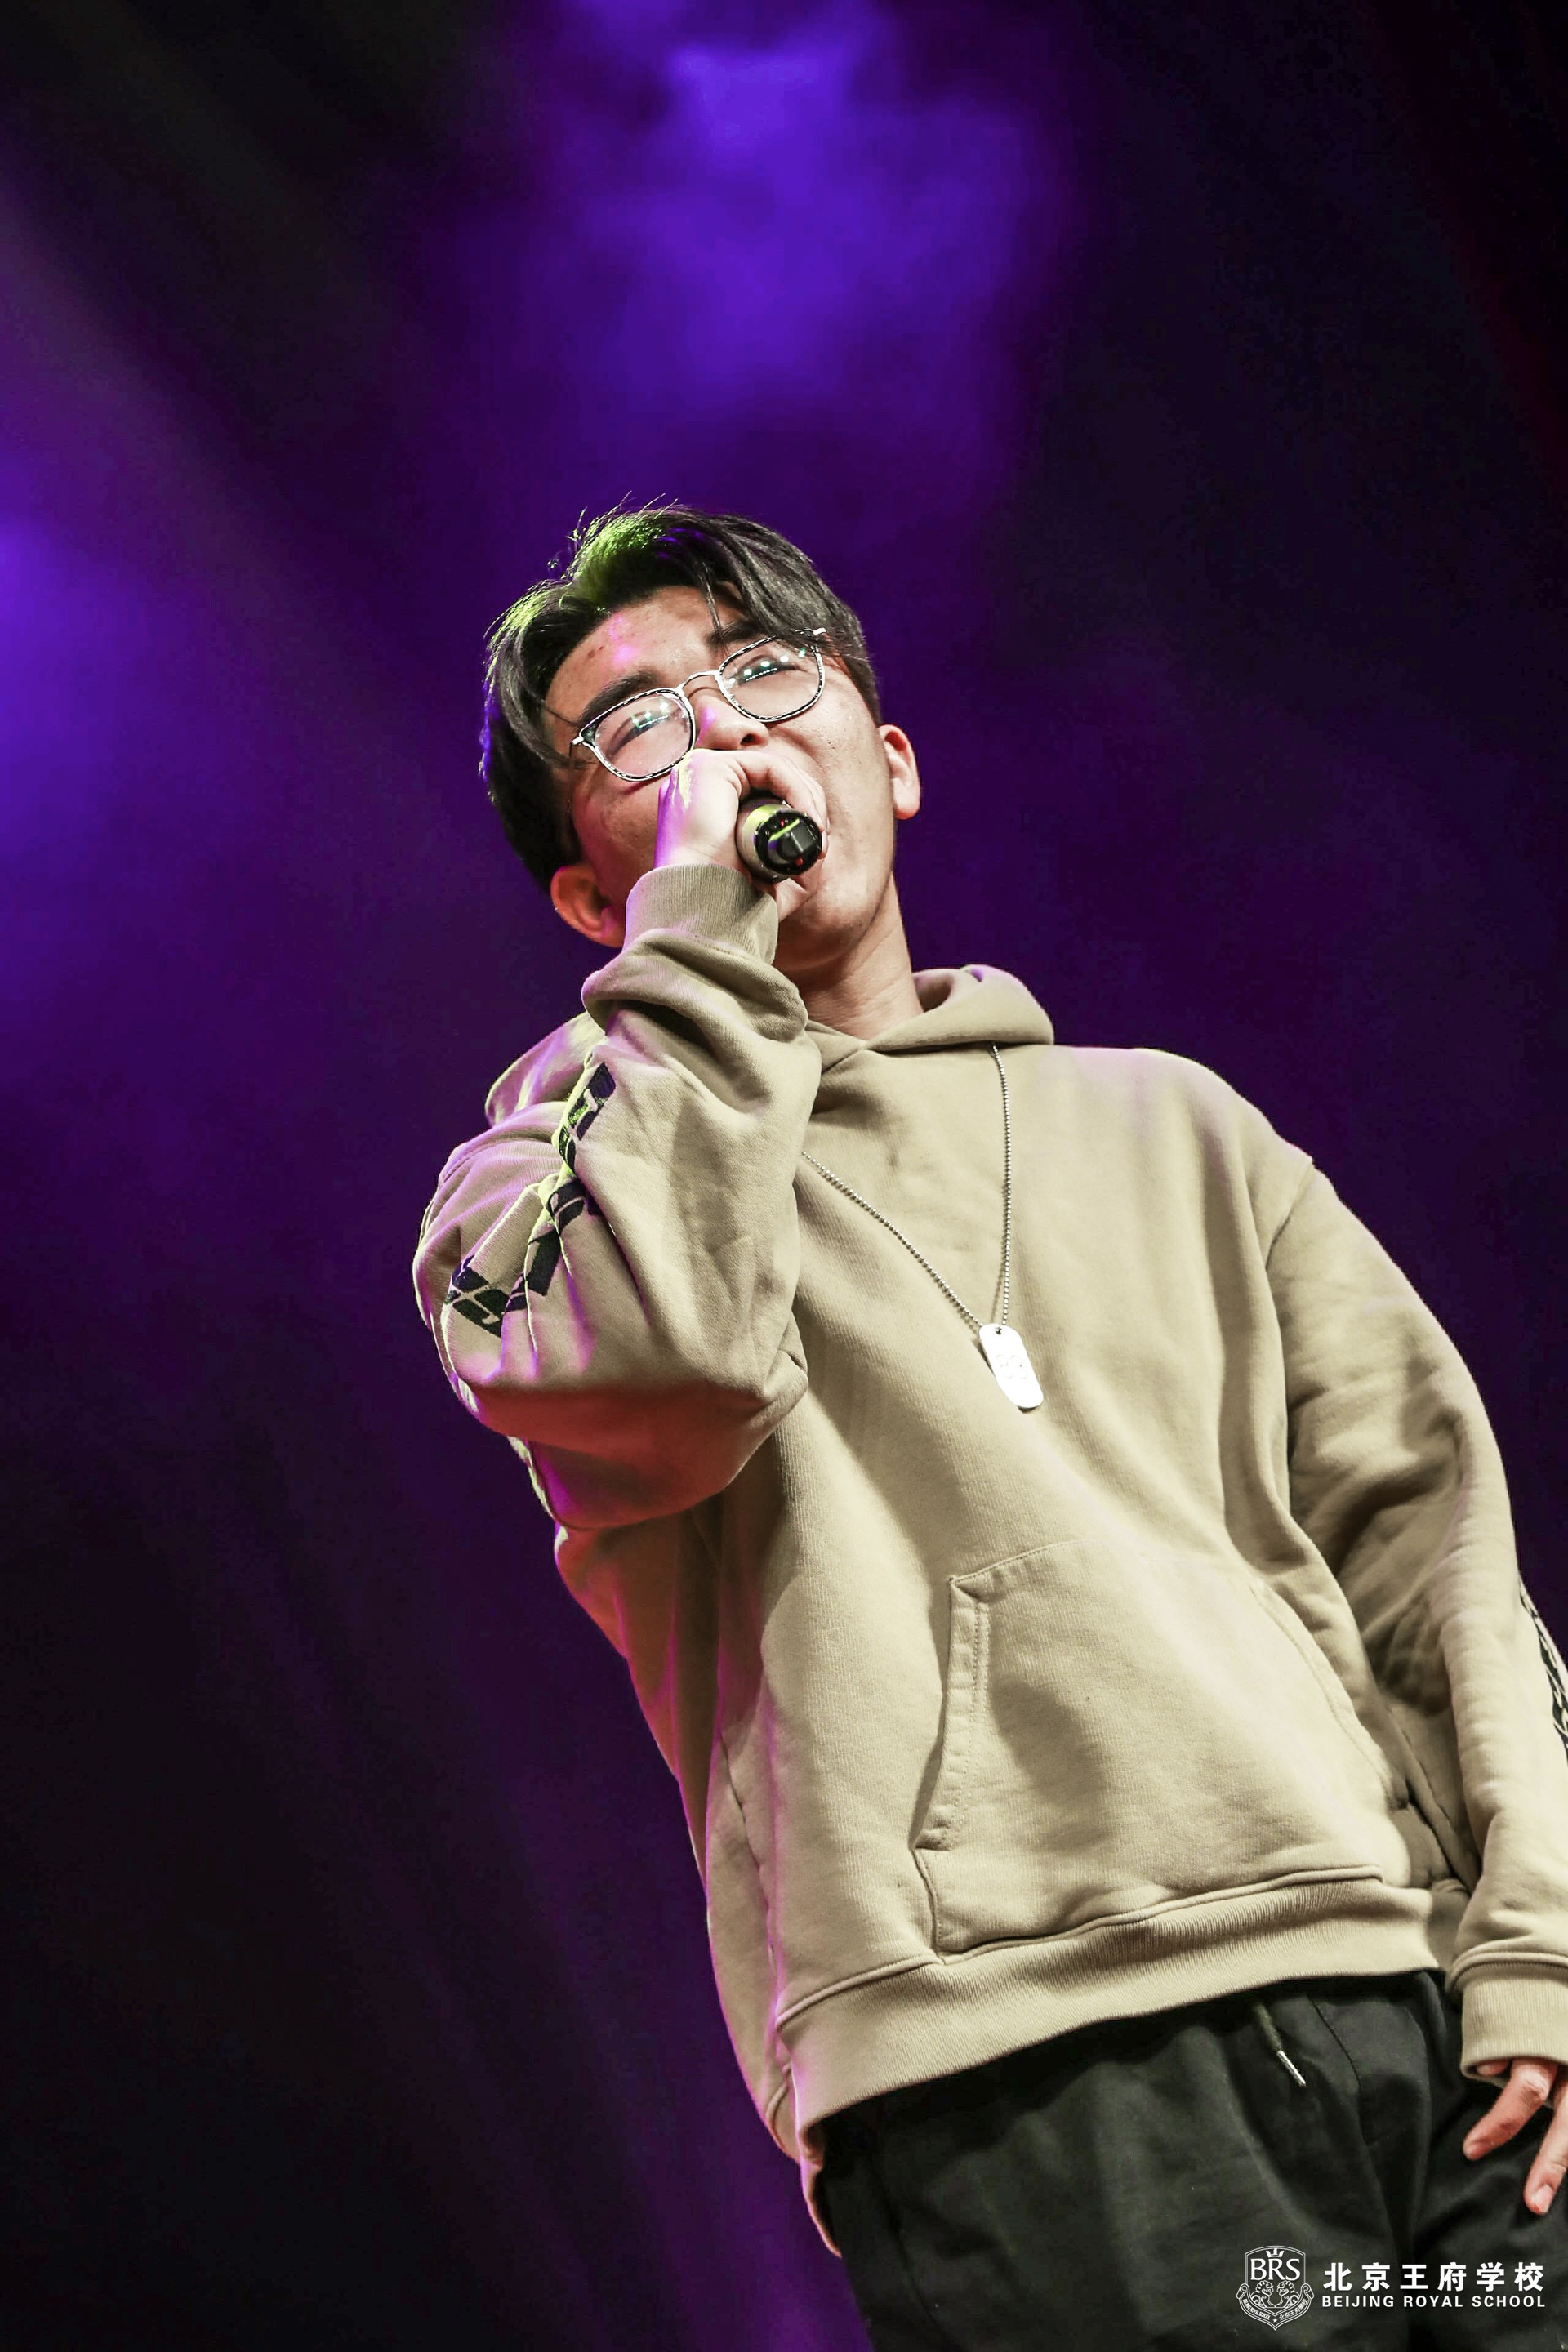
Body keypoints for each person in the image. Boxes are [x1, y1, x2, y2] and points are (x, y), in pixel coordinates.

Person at [414, 503, 1568, 2348]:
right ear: (587, 898)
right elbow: (666, 1366)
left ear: (890, 762)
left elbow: (1434, 1554)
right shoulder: (535, 1195)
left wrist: (1542, 1946)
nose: (722, 730)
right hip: (1016, 2079)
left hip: (1430, 2022)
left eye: (764, 673)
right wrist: (704, 935)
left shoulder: (1180, 1124)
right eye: (636, 727)